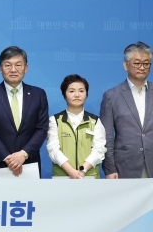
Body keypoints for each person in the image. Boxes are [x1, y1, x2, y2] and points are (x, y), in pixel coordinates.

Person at [0, 46, 49, 178]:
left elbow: (42, 128)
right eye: (7, 65)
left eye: (18, 65)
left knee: (28, 198)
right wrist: (7, 157)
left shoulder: (38, 94)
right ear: (0, 69)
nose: (13, 70)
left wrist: (23, 154)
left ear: (25, 68)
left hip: (28, 164)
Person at [101, 41, 153, 179]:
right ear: (126, 65)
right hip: (125, 167)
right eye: (137, 63)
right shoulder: (112, 96)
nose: (142, 67)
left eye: (146, 63)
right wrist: (109, 168)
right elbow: (107, 136)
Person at [46, 74, 106, 179]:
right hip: (62, 177)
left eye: (81, 91)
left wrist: (83, 169)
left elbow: (99, 149)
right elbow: (53, 149)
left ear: (87, 94)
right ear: (64, 94)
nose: (77, 95)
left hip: (90, 176)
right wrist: (71, 171)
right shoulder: (55, 120)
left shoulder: (95, 121)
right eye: (72, 91)